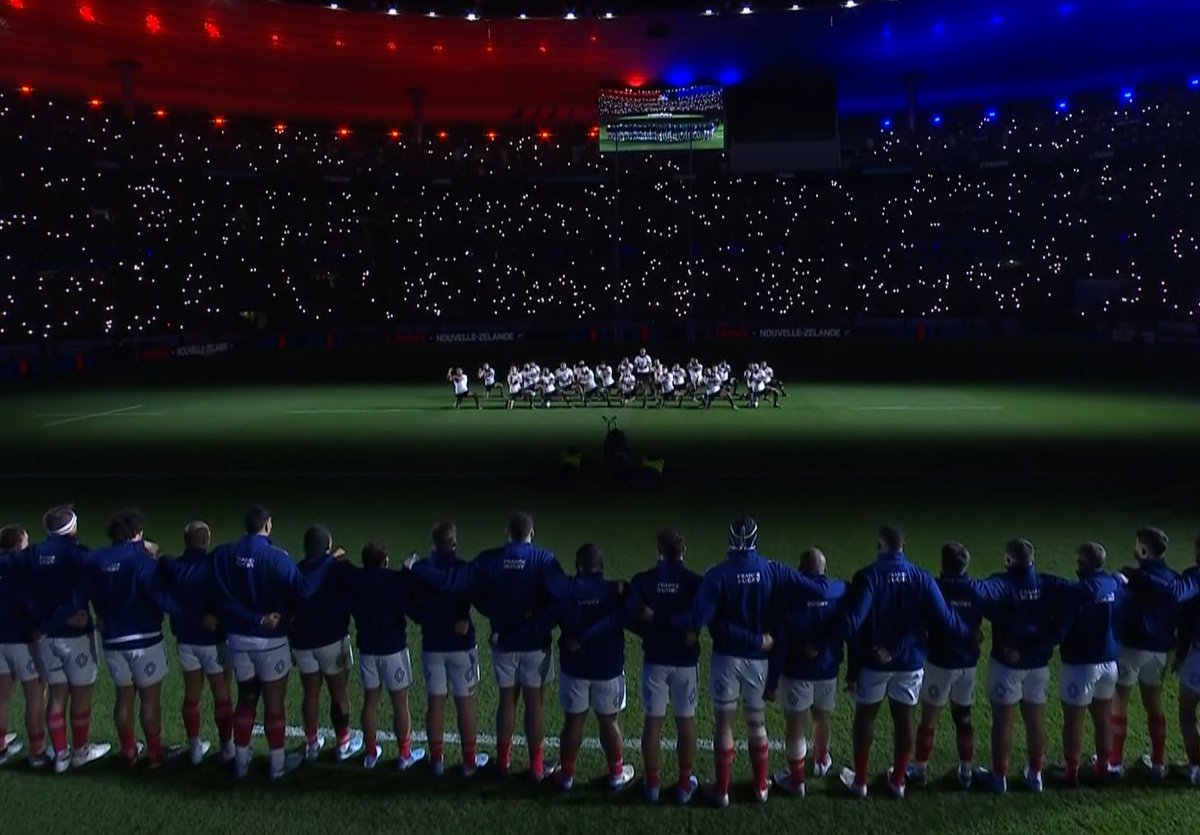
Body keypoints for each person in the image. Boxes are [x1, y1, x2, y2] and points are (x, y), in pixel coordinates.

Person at [672, 516, 816, 807]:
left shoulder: (718, 574)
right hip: (758, 661)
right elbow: (812, 588)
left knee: (723, 724)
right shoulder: (771, 569)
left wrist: (662, 619)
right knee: (756, 723)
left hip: (726, 658)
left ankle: (722, 790)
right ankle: (761, 788)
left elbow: (699, 619)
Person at [415, 512, 569, 781]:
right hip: (535, 645)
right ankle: (536, 767)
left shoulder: (489, 560)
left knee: (506, 700)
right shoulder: (545, 559)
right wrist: (536, 624)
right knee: (535, 703)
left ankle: (503, 762)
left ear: (507, 533)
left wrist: (418, 566)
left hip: (503, 642)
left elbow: (456, 582)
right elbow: (561, 597)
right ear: (531, 534)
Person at [838, 526, 968, 800]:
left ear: (879, 546)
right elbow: (944, 618)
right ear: (903, 547)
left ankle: (860, 782)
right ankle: (898, 782)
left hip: (874, 662)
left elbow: (854, 623)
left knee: (865, 716)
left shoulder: (868, 576)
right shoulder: (921, 577)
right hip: (909, 662)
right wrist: (968, 634)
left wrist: (841, 655)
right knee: (905, 718)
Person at [208, 504, 337, 780]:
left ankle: (241, 763)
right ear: (268, 525)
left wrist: (252, 618)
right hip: (271, 642)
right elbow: (302, 590)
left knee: (246, 698)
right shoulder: (278, 558)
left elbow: (220, 600)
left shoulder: (224, 555)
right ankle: (277, 765)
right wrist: (327, 561)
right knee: (274, 703)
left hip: (238, 641)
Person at [59, 509, 186, 767]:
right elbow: (161, 599)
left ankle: (129, 751)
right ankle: (155, 755)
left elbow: (80, 596)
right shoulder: (143, 563)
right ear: (137, 533)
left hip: (113, 641)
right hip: (144, 640)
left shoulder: (95, 560)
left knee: (123, 696)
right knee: (150, 700)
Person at [968, 538, 1064, 794]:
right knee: (1036, 722)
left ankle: (999, 779)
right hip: (1038, 666)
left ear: (1009, 559)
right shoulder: (1048, 584)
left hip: (1006, 666)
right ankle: (1035, 777)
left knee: (1003, 723)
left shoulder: (1004, 582)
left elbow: (977, 591)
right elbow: (1079, 594)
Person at [20, 506, 110, 773]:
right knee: (81, 693)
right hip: (75, 637)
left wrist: (46, 622)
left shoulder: (31, 555)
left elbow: (25, 595)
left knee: (56, 694)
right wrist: (64, 619)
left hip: (44, 637)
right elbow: (81, 594)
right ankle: (80, 751)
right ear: (72, 527)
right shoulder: (80, 555)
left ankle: (60, 755)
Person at [544, 543, 635, 793]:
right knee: (609, 721)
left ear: (577, 566)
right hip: (608, 669)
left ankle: (566, 776)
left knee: (573, 722)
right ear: (601, 566)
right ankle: (616, 774)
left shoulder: (566, 590)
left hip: (575, 669)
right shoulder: (615, 590)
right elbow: (626, 614)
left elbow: (548, 620)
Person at [626, 529, 702, 804]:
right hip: (684, 660)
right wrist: (687, 627)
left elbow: (630, 612)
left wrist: (652, 626)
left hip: (655, 658)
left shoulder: (644, 581)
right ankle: (684, 786)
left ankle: (653, 784)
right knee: (685, 722)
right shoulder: (695, 582)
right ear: (684, 550)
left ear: (658, 549)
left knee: (653, 722)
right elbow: (702, 614)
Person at [406, 522, 488, 778]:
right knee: (465, 702)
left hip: (433, 644)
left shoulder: (420, 570)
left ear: (433, 543)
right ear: (454, 542)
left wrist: (436, 623)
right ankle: (469, 761)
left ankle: (437, 760)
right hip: (462, 646)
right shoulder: (464, 568)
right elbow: (480, 600)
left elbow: (413, 610)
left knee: (435, 703)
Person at [767, 547, 847, 797]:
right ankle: (822, 761)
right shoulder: (839, 592)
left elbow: (779, 642)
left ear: (800, 569)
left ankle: (797, 780)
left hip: (796, 672)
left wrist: (772, 682)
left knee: (795, 726)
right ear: (824, 569)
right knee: (822, 717)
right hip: (827, 670)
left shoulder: (789, 597)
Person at [1120, 532, 1200, 783]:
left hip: (1191, 653)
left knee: (1186, 714)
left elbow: (1177, 595)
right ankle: (1164, 764)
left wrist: (1139, 575)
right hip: (1168, 650)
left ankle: (1112, 764)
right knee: (1156, 702)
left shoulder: (1192, 577)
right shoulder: (1181, 576)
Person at [157, 521, 234, 765]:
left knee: (192, 695)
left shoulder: (172, 566)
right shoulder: (214, 565)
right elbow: (226, 598)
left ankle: (195, 749)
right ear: (206, 540)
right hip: (213, 641)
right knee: (222, 694)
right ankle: (227, 749)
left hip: (185, 641)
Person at [909, 542, 985, 789]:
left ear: (943, 564)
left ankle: (919, 771)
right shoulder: (977, 590)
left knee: (929, 719)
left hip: (940, 663)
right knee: (963, 718)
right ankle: (965, 771)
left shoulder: (936, 588)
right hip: (968, 665)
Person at [344, 542, 426, 771]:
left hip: (368, 652)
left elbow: (345, 568)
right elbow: (414, 607)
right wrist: (409, 569)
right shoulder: (394, 581)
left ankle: (370, 753)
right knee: (400, 704)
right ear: (385, 561)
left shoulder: (357, 580)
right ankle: (404, 755)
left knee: (370, 702)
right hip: (393, 652)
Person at [1055, 542, 1124, 787]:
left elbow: (1060, 631)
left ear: (1082, 564)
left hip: (1081, 666)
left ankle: (1071, 774)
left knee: (1074, 720)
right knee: (1103, 718)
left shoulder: (1078, 593)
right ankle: (1102, 770)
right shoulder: (1114, 585)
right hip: (1108, 662)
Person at [290, 525, 360, 764]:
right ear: (327, 547)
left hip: (302, 643)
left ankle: (311, 744)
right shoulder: (335, 569)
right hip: (332, 640)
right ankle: (343, 744)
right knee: (338, 692)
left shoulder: (296, 571)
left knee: (310, 694)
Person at [1110, 527, 1174, 779]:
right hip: (1159, 651)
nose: (1135, 549)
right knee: (1154, 703)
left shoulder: (1132, 579)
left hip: (1131, 647)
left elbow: (1120, 607)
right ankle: (1157, 764)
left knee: (1119, 702)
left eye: (1138, 545)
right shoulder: (1173, 579)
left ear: (1144, 550)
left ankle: (1115, 764)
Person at [0, 524, 47, 767]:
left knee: (2, 698)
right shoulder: (21, 565)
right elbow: (28, 601)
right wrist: (43, 625)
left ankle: (0, 747)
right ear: (19, 544)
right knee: (35, 695)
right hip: (22, 641)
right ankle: (37, 751)